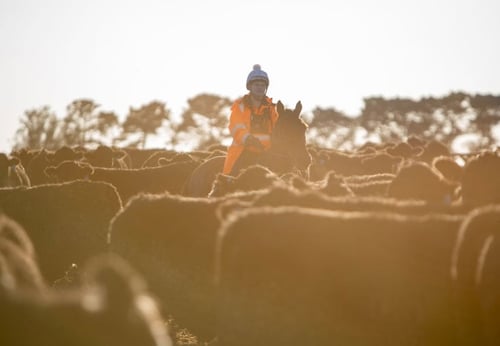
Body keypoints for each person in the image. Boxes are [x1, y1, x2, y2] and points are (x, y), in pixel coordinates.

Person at [222, 64, 279, 175]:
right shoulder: (240, 106)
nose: (260, 88)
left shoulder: (272, 108)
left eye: (263, 85)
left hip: (267, 152)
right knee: (231, 182)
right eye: (257, 85)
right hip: (243, 152)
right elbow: (235, 127)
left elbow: (277, 128)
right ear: (250, 87)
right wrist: (248, 138)